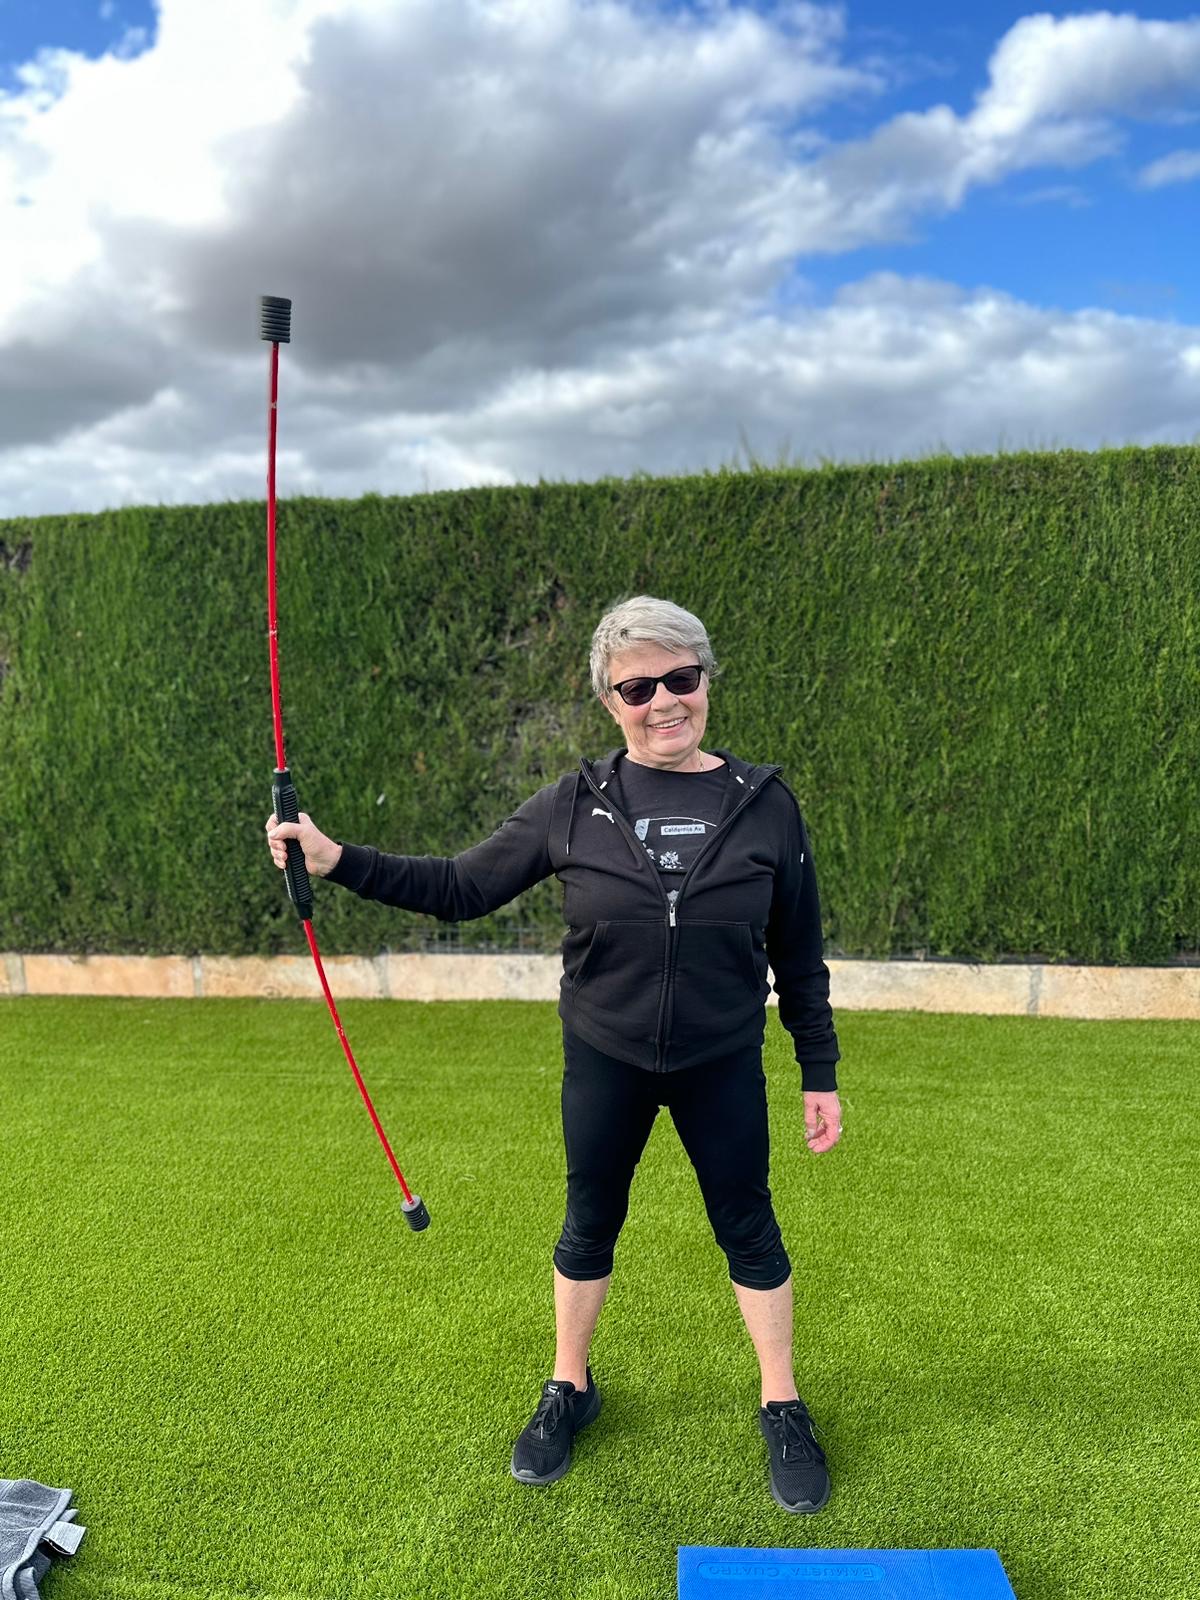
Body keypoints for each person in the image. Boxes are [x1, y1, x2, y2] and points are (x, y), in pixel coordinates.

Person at [266, 594, 843, 1514]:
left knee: (749, 1224)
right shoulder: (574, 803)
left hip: (721, 1060)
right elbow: (459, 888)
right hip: (607, 1057)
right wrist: (337, 860)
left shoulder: (765, 805)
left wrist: (819, 1071)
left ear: (706, 681)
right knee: (588, 1222)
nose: (664, 701)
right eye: (638, 687)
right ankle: (570, 1384)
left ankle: (782, 1400)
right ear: (610, 701)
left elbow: (799, 952)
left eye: (681, 678)